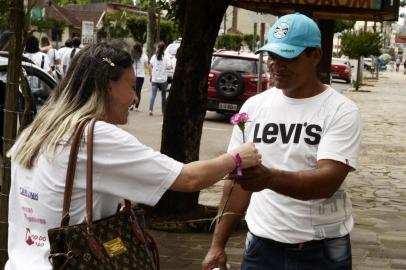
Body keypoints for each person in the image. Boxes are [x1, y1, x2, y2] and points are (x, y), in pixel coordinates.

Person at [5, 42, 261, 269]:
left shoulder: (38, 129)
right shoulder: (95, 136)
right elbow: (188, 179)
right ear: (109, 87)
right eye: (130, 86)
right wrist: (237, 157)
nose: (135, 98)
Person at [202, 13, 362, 270]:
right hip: (261, 246)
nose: (277, 65)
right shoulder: (254, 107)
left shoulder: (340, 110)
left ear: (315, 56)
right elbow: (238, 183)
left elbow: (328, 182)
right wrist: (217, 245)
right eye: (272, 56)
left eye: (288, 57)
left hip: (321, 251)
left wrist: (267, 179)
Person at [148, 41, 169, 116]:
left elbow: (149, 66)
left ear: (158, 48)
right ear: (164, 49)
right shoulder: (166, 57)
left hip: (155, 79)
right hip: (163, 80)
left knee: (153, 95)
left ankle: (150, 110)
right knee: (163, 96)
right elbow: (169, 66)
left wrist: (150, 76)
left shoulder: (154, 57)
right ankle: (163, 112)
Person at [130, 41, 149, 111]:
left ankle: (132, 105)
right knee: (138, 91)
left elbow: (129, 66)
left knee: (132, 91)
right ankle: (136, 106)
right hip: (140, 76)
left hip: (133, 76)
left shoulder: (132, 55)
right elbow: (147, 66)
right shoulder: (144, 56)